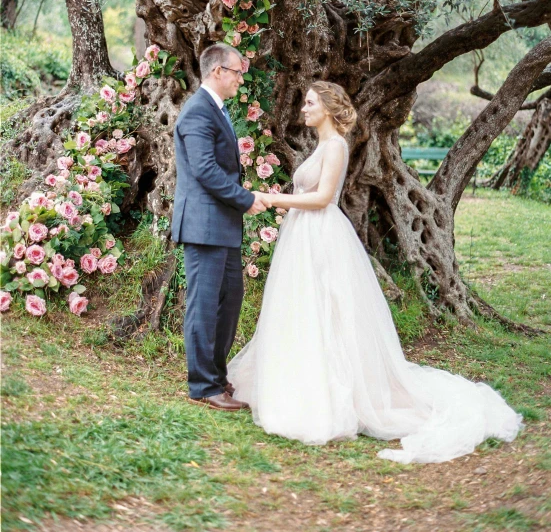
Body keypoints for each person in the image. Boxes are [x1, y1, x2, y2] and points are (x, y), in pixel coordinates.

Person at [228, 81, 523, 463]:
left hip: (321, 235)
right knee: (303, 309)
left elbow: (321, 198)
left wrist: (270, 198)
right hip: (302, 235)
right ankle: (301, 383)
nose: (303, 108)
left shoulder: (335, 147)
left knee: (328, 310)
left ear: (330, 109)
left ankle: (332, 395)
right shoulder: (321, 145)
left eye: (310, 102)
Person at [172, 43, 270, 412]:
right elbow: (205, 170)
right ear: (217, 72)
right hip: (203, 226)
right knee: (204, 307)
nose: (240, 79)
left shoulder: (217, 110)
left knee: (229, 303)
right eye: (237, 72)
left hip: (222, 226)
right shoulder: (198, 112)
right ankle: (203, 386)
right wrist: (246, 199)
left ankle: (216, 375)